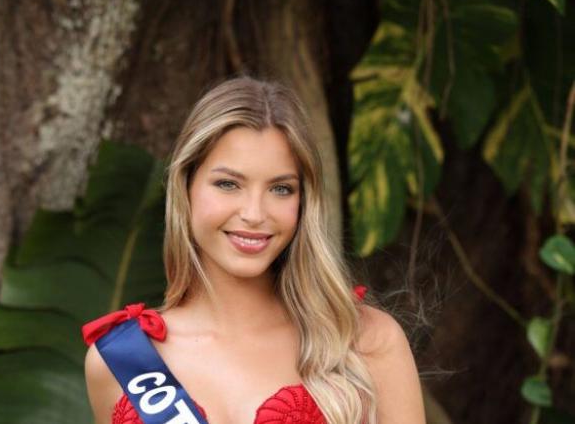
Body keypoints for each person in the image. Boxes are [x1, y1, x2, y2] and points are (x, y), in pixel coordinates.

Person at [82, 76, 425, 424]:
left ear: (304, 202)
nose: (254, 214)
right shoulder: (122, 361)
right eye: (228, 184)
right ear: (186, 187)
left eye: (281, 189)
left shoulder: (363, 342)